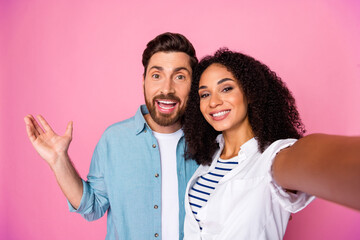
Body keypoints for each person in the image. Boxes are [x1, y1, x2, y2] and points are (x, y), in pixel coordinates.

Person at [24, 32, 199, 240]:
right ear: (143, 81)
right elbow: (92, 207)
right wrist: (58, 161)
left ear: (194, 84)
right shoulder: (114, 140)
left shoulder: (210, 141)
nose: (167, 88)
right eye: (156, 75)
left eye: (180, 76)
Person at [183, 48, 360, 239]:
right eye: (204, 94)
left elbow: (321, 162)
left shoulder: (274, 157)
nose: (213, 102)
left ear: (249, 93)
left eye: (226, 89)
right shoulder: (209, 160)